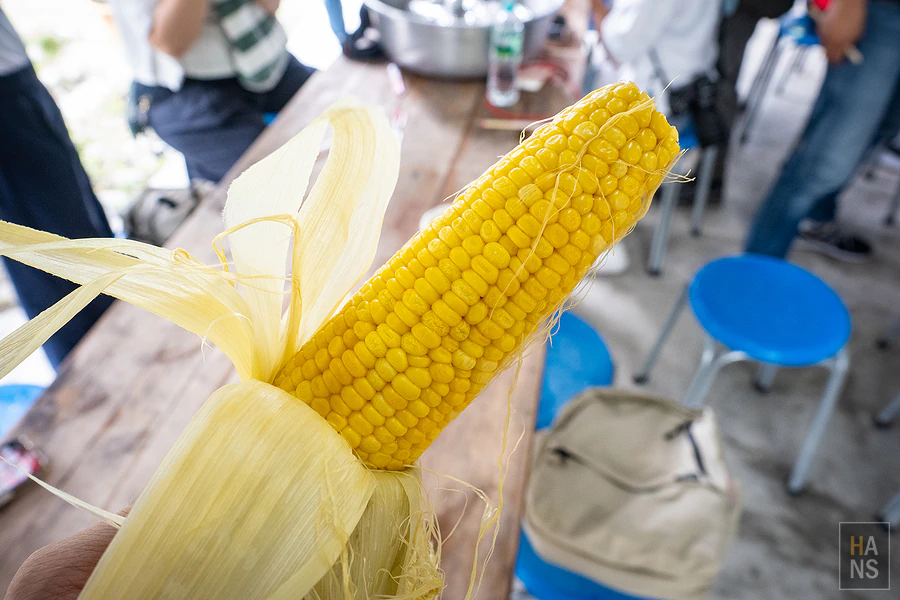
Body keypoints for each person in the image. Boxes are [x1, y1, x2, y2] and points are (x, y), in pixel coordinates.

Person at [0, 8, 114, 367]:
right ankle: (96, 384)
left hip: (13, 86)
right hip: (9, 101)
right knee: (48, 259)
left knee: (79, 244)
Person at [744, 0, 900, 259]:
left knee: (879, 129)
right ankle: (757, 268)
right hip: (882, 11)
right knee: (826, 156)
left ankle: (815, 217)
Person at [109, 0, 316, 183]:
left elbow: (270, 5)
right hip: (183, 89)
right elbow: (172, 43)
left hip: (260, 55)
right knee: (285, 183)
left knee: (342, 115)